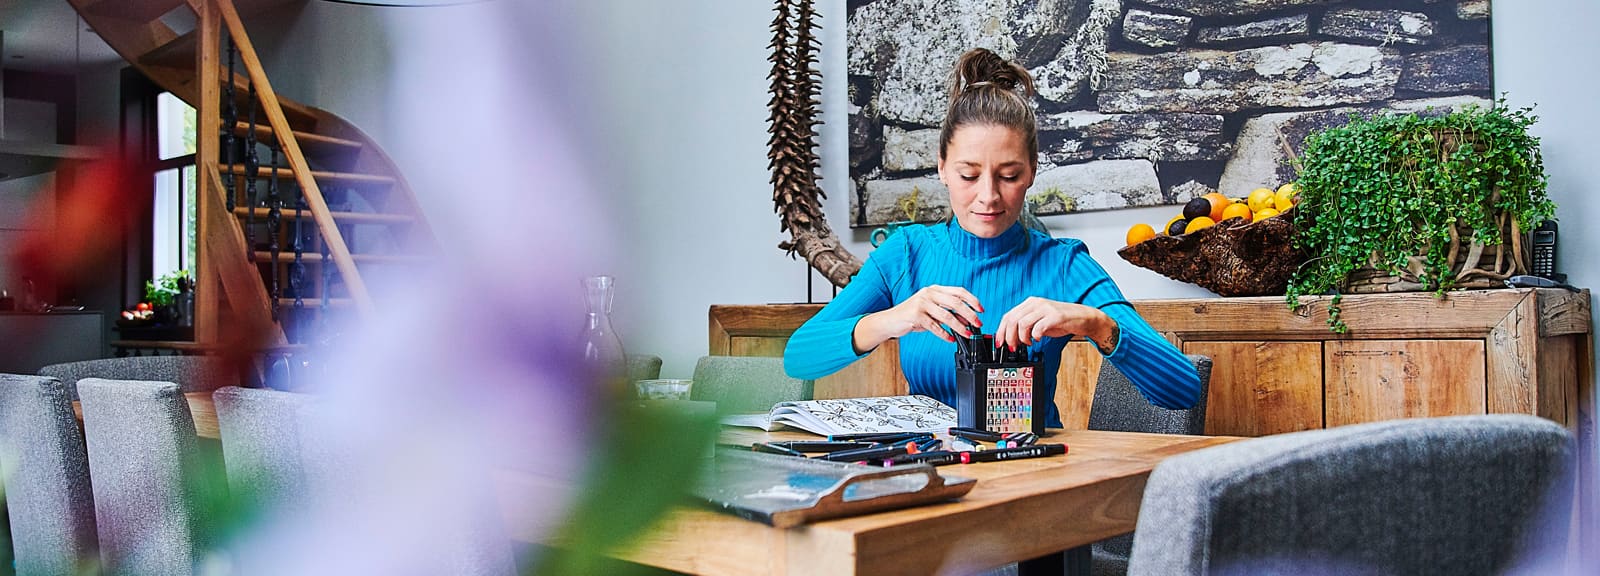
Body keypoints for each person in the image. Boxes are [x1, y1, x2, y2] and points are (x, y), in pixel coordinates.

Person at [783, 48, 1200, 426]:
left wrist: (1095, 322)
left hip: (1033, 482)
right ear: (942, 167)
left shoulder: (1065, 265)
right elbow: (799, 356)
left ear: (1032, 171)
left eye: (1009, 175)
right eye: (968, 174)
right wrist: (895, 318)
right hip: (932, 479)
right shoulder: (906, 255)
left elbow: (1185, 390)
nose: (988, 196)